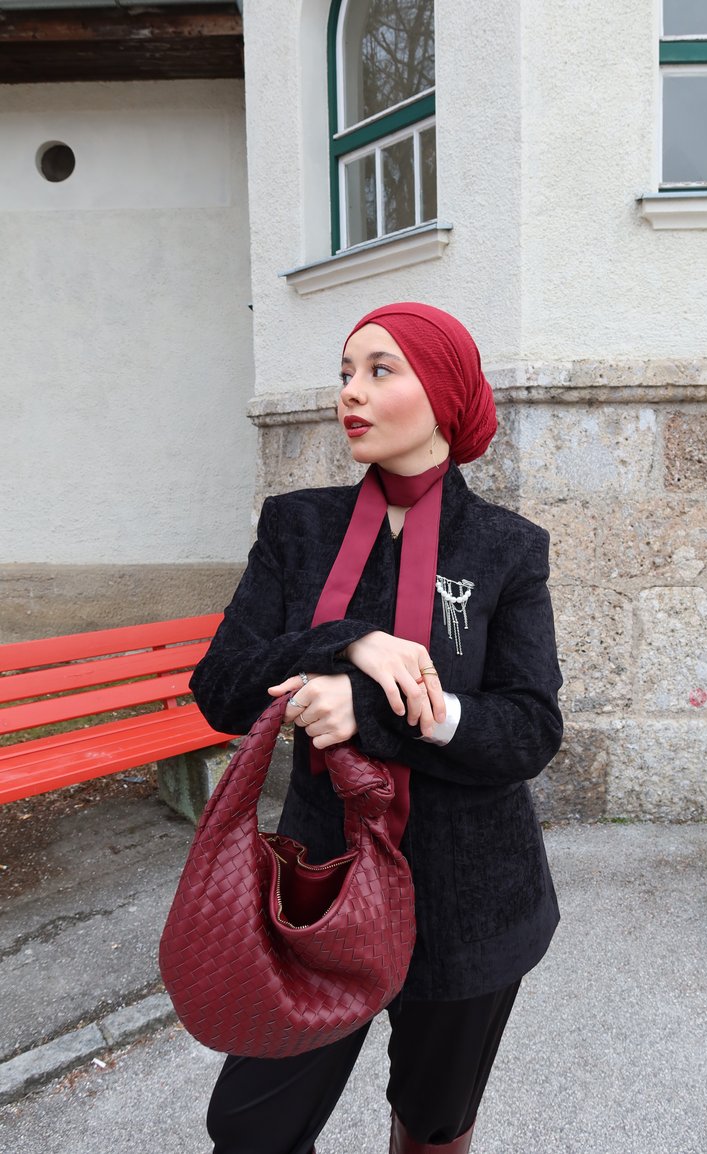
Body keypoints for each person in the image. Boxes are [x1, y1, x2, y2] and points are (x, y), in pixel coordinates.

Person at [189, 302, 563, 1154]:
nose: (350, 393)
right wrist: (344, 639)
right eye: (346, 372)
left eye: (379, 370)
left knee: (433, 1122)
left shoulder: (507, 548)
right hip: (315, 887)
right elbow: (219, 691)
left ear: (441, 392)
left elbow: (529, 728)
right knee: (252, 1127)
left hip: (470, 898)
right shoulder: (298, 527)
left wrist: (375, 713)